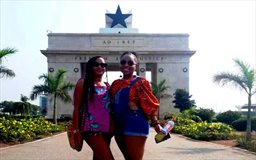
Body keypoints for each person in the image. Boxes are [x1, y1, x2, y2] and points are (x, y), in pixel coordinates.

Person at [110, 51, 165, 160]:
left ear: (136, 66)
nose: (126, 65)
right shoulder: (115, 83)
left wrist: (156, 124)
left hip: (135, 123)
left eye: (130, 63)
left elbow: (149, 104)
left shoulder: (141, 82)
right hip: (119, 126)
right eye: (123, 62)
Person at [72, 56, 114, 160]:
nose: (100, 67)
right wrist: (76, 129)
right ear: (90, 66)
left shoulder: (107, 85)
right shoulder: (83, 83)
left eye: (103, 65)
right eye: (96, 64)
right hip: (91, 128)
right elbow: (76, 107)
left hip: (107, 129)